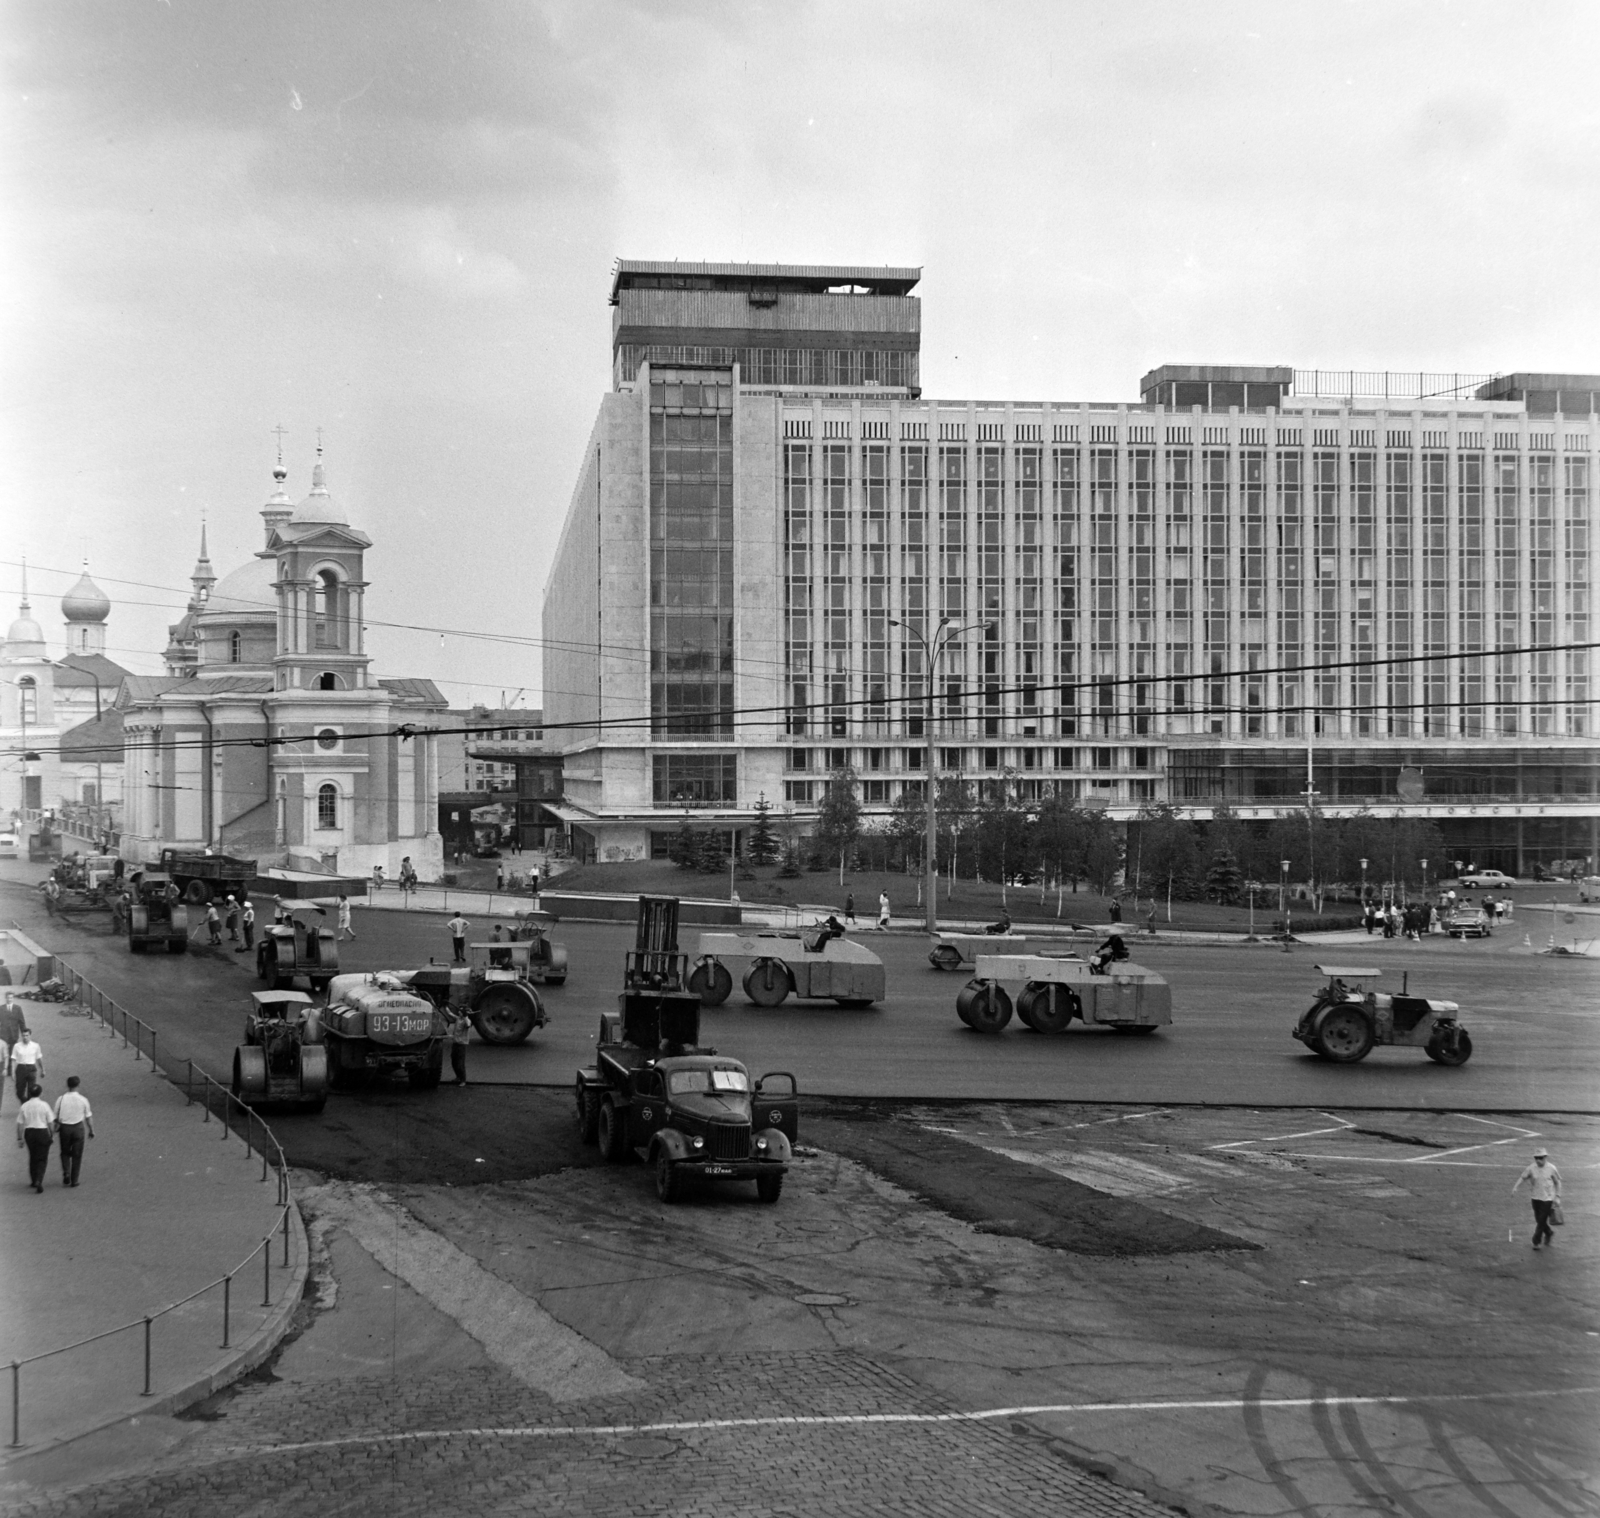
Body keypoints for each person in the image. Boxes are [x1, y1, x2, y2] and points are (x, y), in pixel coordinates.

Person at [1513, 1147, 1563, 1249]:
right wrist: (1515, 1187)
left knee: (1541, 1221)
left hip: (1547, 1199)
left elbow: (1558, 1182)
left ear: (1545, 1157)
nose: (1538, 1160)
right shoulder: (1531, 1168)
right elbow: (1523, 1177)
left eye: (1540, 1158)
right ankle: (1548, 1232)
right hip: (1535, 1198)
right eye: (1536, 1158)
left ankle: (1536, 1242)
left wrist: (1557, 1196)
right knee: (1539, 1220)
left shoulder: (1551, 1168)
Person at [53, 1075, 93, 1187]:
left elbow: (55, 1116)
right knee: (77, 1154)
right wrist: (91, 1130)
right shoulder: (83, 1100)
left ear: (67, 1085)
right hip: (78, 1128)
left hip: (65, 1129)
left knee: (65, 1152)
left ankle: (66, 1172)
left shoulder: (60, 1099)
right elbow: (88, 1117)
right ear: (78, 1085)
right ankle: (74, 1180)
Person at [16, 1083, 53, 1192]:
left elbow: (20, 1124)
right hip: (42, 1132)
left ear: (30, 1093)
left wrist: (20, 1138)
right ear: (40, 1093)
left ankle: (33, 1180)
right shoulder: (45, 1105)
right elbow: (50, 1122)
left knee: (33, 1156)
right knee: (42, 1158)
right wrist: (52, 1134)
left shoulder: (24, 1106)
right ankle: (39, 1180)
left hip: (29, 1133)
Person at [10, 1028, 44, 1104]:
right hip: (21, 1068)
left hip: (31, 1068)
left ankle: (28, 1106)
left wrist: (43, 1069)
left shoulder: (36, 1046)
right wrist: (12, 1072)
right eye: (23, 1035)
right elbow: (13, 1059)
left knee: (31, 1090)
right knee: (19, 1091)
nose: (25, 1037)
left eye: (27, 1035)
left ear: (30, 1035)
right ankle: (24, 1101)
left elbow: (39, 1058)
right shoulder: (17, 1046)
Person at [447, 1008, 472, 1086]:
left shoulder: (466, 1020)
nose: (458, 1012)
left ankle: (463, 1080)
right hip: (455, 1043)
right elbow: (450, 1013)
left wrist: (466, 1016)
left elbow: (468, 1025)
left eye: (460, 1011)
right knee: (454, 1061)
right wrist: (446, 1007)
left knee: (460, 1063)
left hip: (462, 1044)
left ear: (463, 1013)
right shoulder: (458, 1018)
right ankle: (458, 1077)